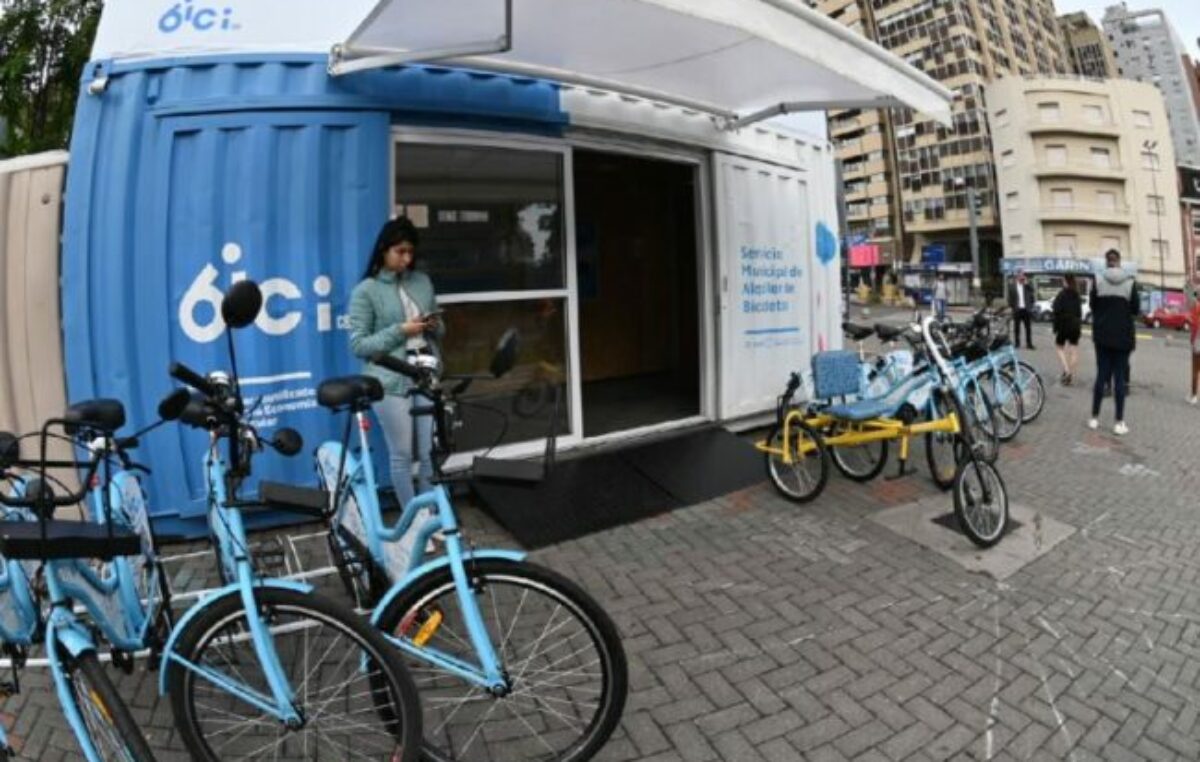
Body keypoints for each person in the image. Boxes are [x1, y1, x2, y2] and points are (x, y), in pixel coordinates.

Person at [348, 217, 445, 507]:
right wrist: (400, 330)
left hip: (425, 372)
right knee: (401, 454)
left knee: (429, 453)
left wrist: (434, 324)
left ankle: (430, 516)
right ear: (383, 251)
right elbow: (359, 345)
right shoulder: (366, 290)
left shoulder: (422, 281)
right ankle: (412, 520)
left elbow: (441, 330)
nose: (406, 258)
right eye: (400, 251)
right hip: (389, 379)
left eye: (410, 252)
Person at [1088, 249, 1139, 435]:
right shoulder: (1130, 282)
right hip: (1123, 338)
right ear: (1119, 262)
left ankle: (1094, 418)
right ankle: (1119, 422)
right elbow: (1135, 309)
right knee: (1120, 379)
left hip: (1102, 336)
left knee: (1101, 376)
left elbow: (1092, 306)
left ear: (1106, 262)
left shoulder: (1097, 280)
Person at [1051, 274, 1082, 385]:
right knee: (1073, 349)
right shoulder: (1077, 294)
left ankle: (1067, 370)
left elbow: (1056, 309)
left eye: (1063, 280)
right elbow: (1079, 312)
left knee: (1059, 347)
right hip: (1075, 325)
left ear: (1066, 281)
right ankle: (1070, 374)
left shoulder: (1062, 294)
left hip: (1064, 324)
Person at [1007, 269, 1035, 350]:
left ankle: (1029, 344)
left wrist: (1026, 284)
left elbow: (1033, 291)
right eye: (1020, 275)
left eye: (1023, 275)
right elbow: (1010, 299)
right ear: (1017, 276)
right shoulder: (1012, 286)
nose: (1022, 277)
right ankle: (1017, 343)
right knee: (1017, 328)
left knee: (1028, 328)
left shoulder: (1027, 285)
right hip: (1017, 309)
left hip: (1026, 309)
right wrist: (1013, 308)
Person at [1189, 276, 1200, 404]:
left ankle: (1193, 396)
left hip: (1198, 341)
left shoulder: (1196, 307)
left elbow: (1195, 325)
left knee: (1195, 369)